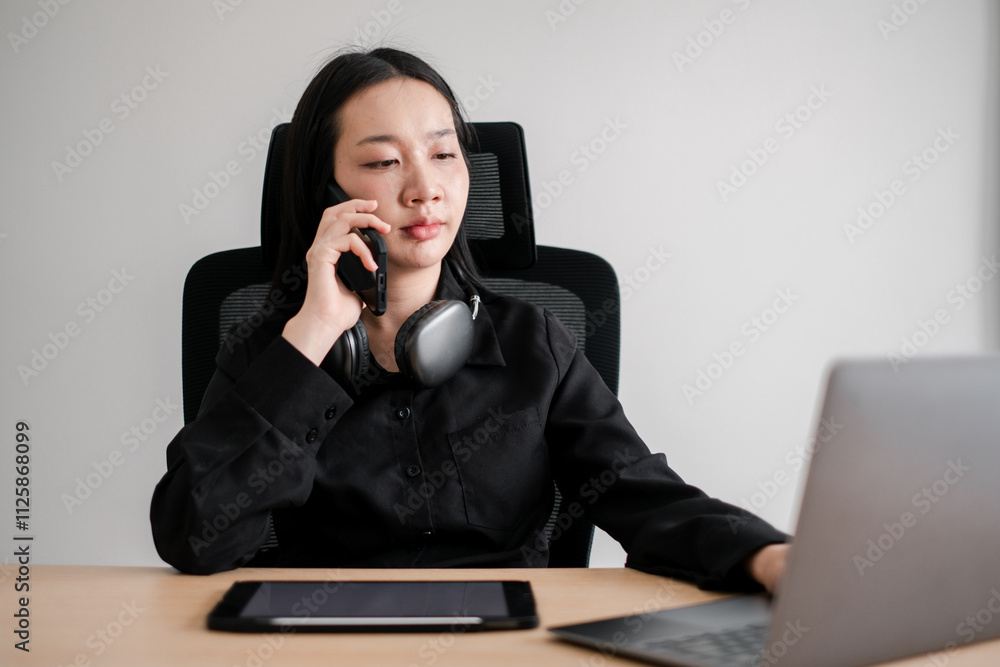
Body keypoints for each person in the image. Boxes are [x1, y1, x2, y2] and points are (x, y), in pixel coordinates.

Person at [150, 47, 789, 592]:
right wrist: (313, 334)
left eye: (444, 154)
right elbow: (194, 535)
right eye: (381, 162)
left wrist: (769, 556)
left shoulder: (532, 344)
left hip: (507, 642)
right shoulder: (270, 352)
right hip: (326, 640)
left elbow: (643, 496)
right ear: (327, 193)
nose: (425, 188)